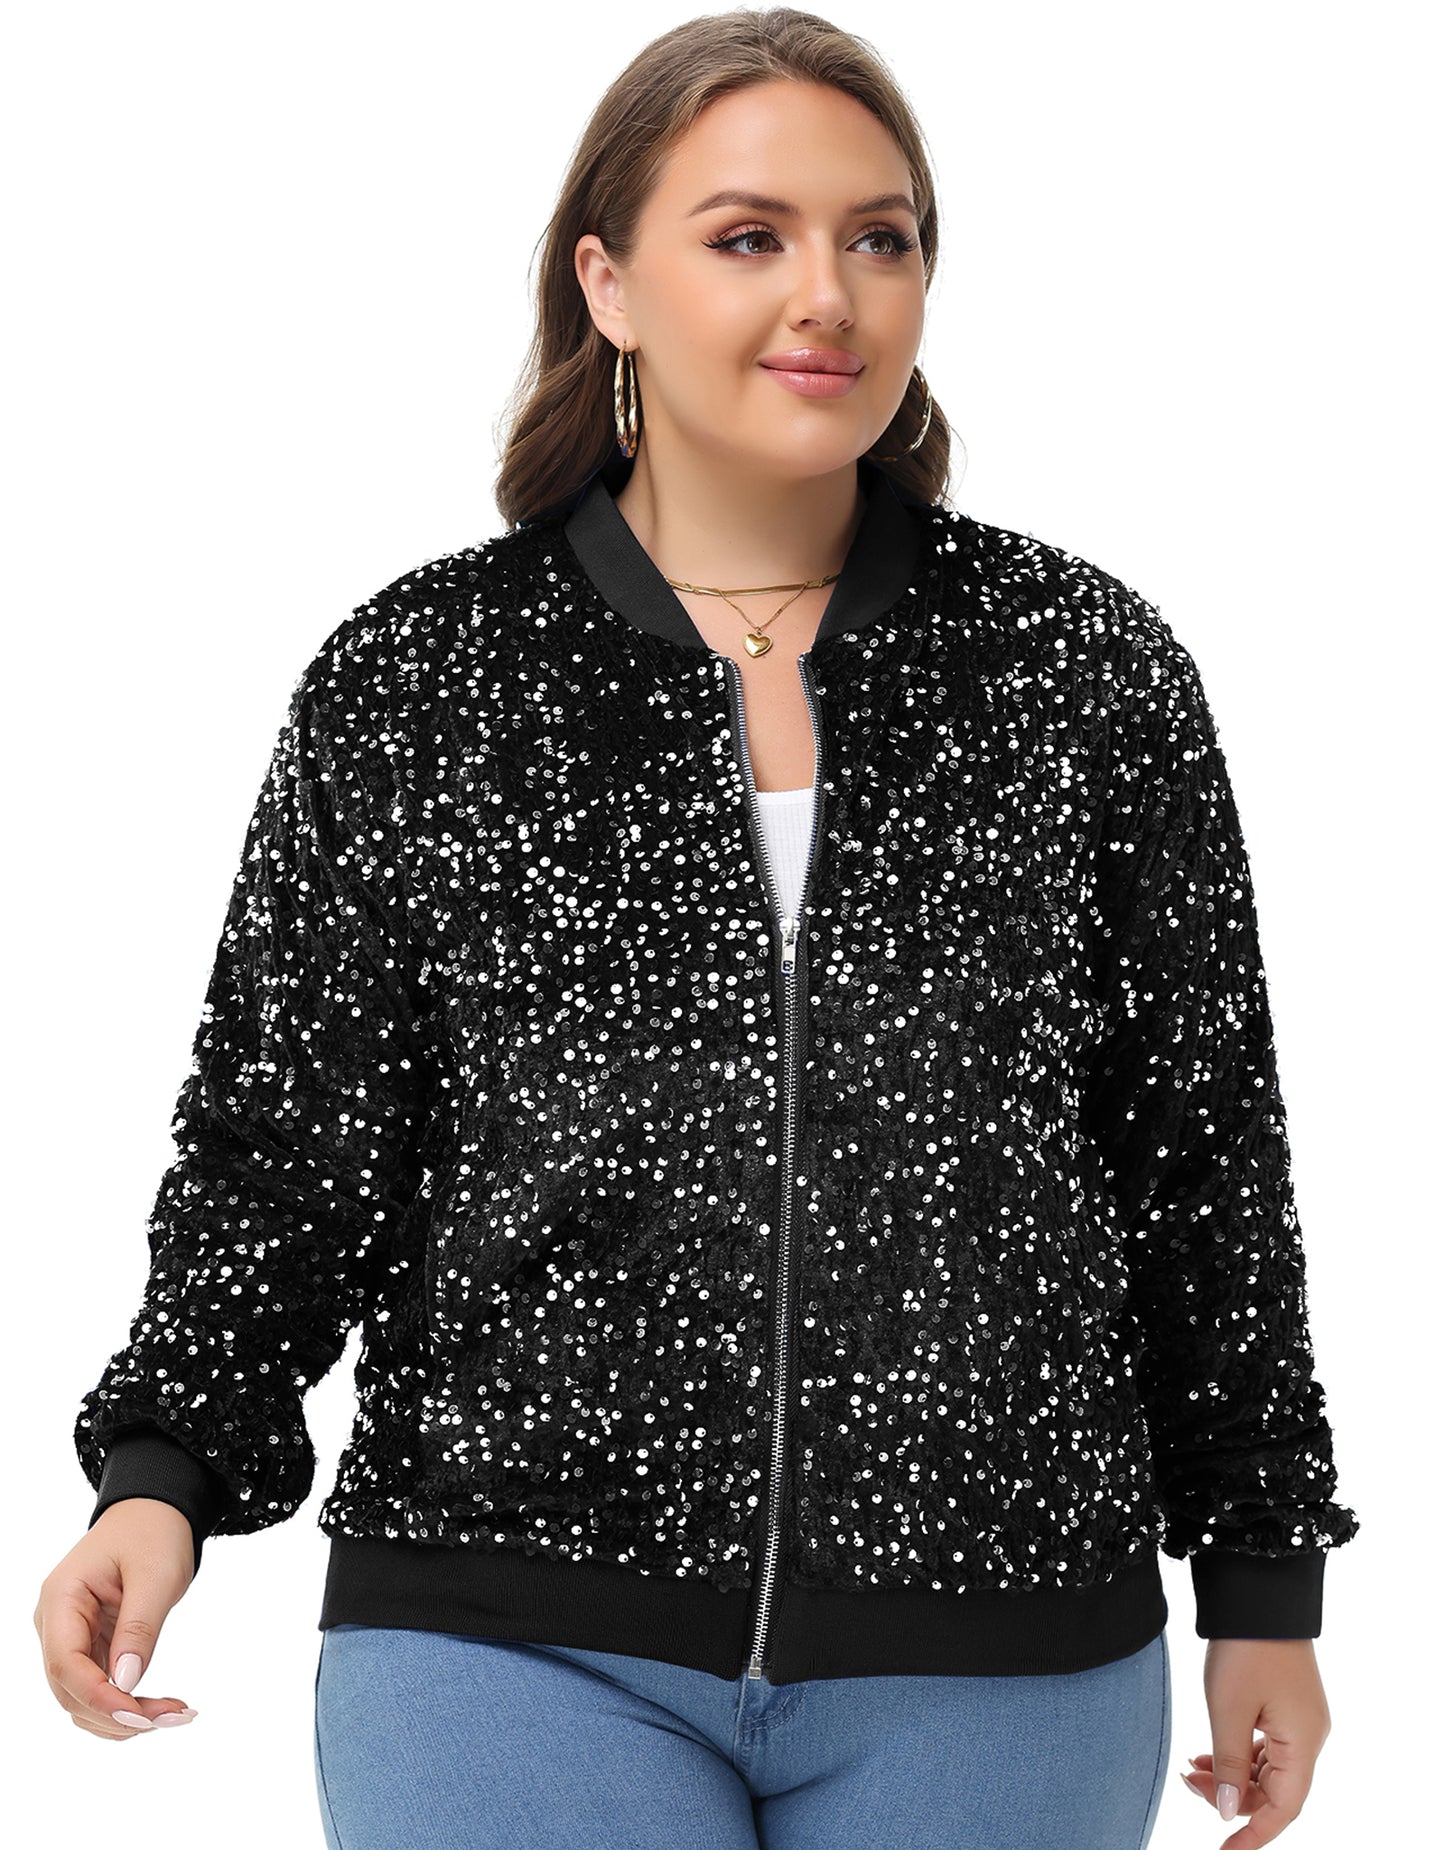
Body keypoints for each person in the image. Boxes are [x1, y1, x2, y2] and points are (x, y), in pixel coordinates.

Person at [36, 9, 1360, 1847]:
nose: (827, 293)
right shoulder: (423, 680)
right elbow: (287, 1136)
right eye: (748, 236)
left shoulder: (1080, 674)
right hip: (504, 1631)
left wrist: (1261, 1578)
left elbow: (1198, 1154)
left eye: (879, 237)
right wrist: (159, 1475)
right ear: (609, 283)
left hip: (1001, 1647)